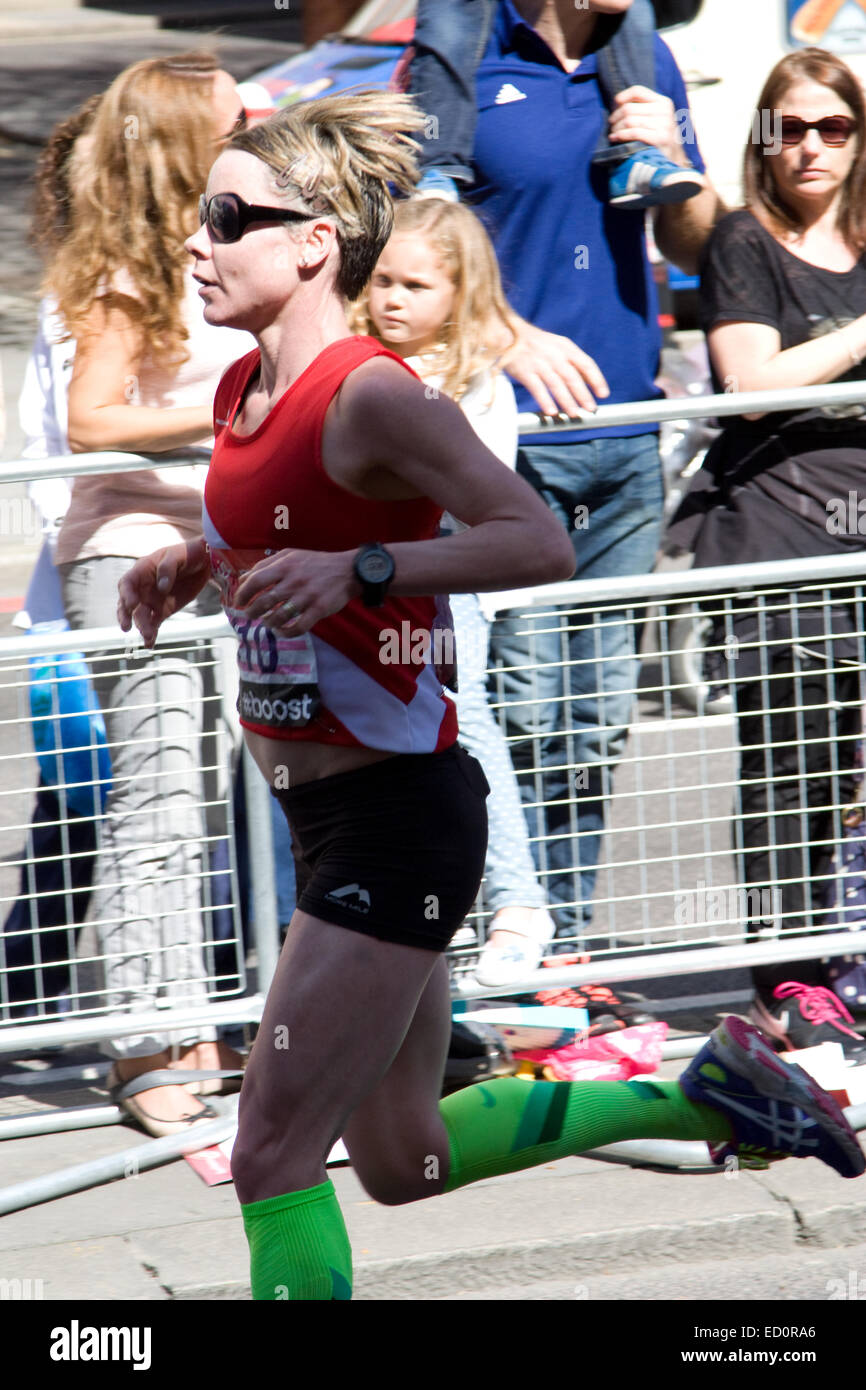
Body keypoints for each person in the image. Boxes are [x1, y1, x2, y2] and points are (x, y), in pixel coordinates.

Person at [117, 90, 864, 1302]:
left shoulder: (373, 393)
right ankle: (710, 1088)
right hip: (328, 823)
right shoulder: (240, 390)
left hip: (397, 816)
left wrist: (365, 567)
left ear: (313, 242)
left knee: (269, 1151)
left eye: (226, 216)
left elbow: (533, 540)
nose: (194, 239)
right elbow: (296, 527)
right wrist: (200, 563)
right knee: (403, 1158)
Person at [409, 0, 723, 958]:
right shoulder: (463, 61)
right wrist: (509, 336)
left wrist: (680, 160)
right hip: (513, 450)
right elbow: (413, 247)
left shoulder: (644, 58)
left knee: (595, 723)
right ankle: (500, 952)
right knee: (523, 715)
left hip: (628, 433)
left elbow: (697, 247)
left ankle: (565, 959)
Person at [47, 53, 256, 1133]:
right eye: (234, 121)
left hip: (218, 548)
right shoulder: (123, 267)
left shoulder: (219, 246)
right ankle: (142, 1040)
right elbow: (91, 422)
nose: (254, 128)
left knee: (200, 801)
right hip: (131, 549)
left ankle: (188, 1018)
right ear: (184, 142)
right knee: (159, 798)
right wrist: (222, 415)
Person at [667, 47, 866, 1060]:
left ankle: (848, 963)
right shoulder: (744, 243)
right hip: (777, 538)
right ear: (761, 138)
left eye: (831, 128)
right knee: (789, 771)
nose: (808, 147)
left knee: (853, 776)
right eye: (788, 127)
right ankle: (789, 982)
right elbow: (748, 382)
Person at [351, 195, 556, 985]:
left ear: (460, 293)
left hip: (439, 575)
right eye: (383, 282)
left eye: (416, 286)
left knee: (464, 721)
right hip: (363, 575)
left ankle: (517, 902)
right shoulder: (356, 363)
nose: (393, 300)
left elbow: (474, 509)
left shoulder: (472, 380)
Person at [410, 0, 706, 208]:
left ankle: (636, 158)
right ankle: (440, 169)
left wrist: (677, 156)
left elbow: (698, 252)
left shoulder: (654, 55)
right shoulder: (444, 58)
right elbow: (398, 241)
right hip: (489, 298)